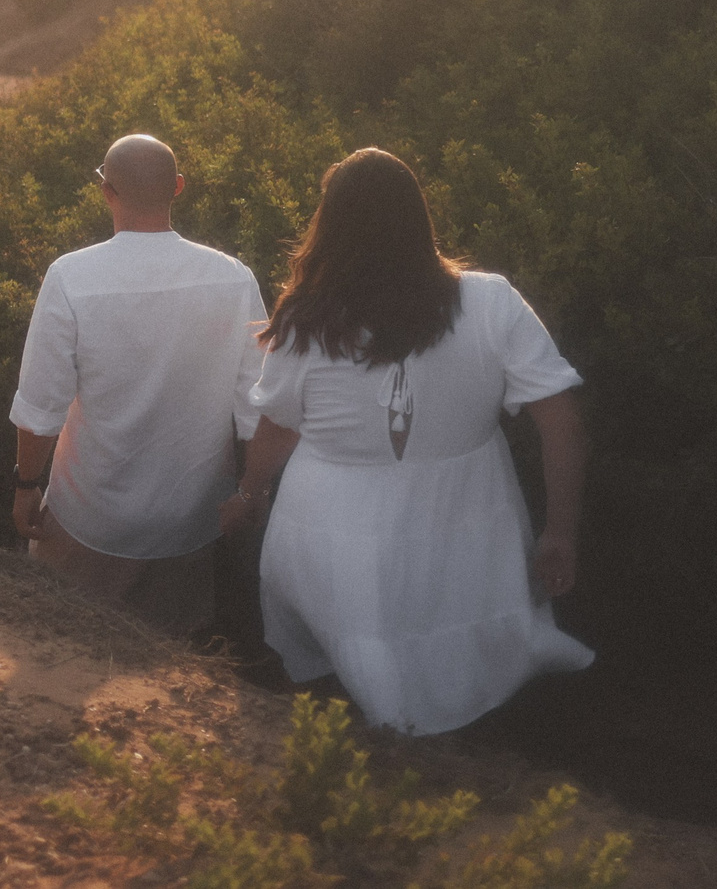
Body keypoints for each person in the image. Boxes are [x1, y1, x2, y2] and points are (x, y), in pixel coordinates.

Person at [222, 147, 593, 735]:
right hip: (468, 516)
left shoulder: (306, 320)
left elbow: (277, 427)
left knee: (344, 667)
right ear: (419, 216)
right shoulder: (492, 301)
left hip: (333, 524)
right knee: (460, 648)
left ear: (330, 224)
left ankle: (358, 744)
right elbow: (561, 419)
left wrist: (247, 494)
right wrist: (561, 529)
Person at [9, 133, 266, 635]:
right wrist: (250, 494)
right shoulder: (235, 279)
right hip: (190, 521)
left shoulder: (71, 277)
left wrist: (24, 486)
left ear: (107, 191)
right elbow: (258, 407)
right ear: (178, 187)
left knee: (62, 650)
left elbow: (42, 408)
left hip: (89, 515)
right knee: (169, 673)